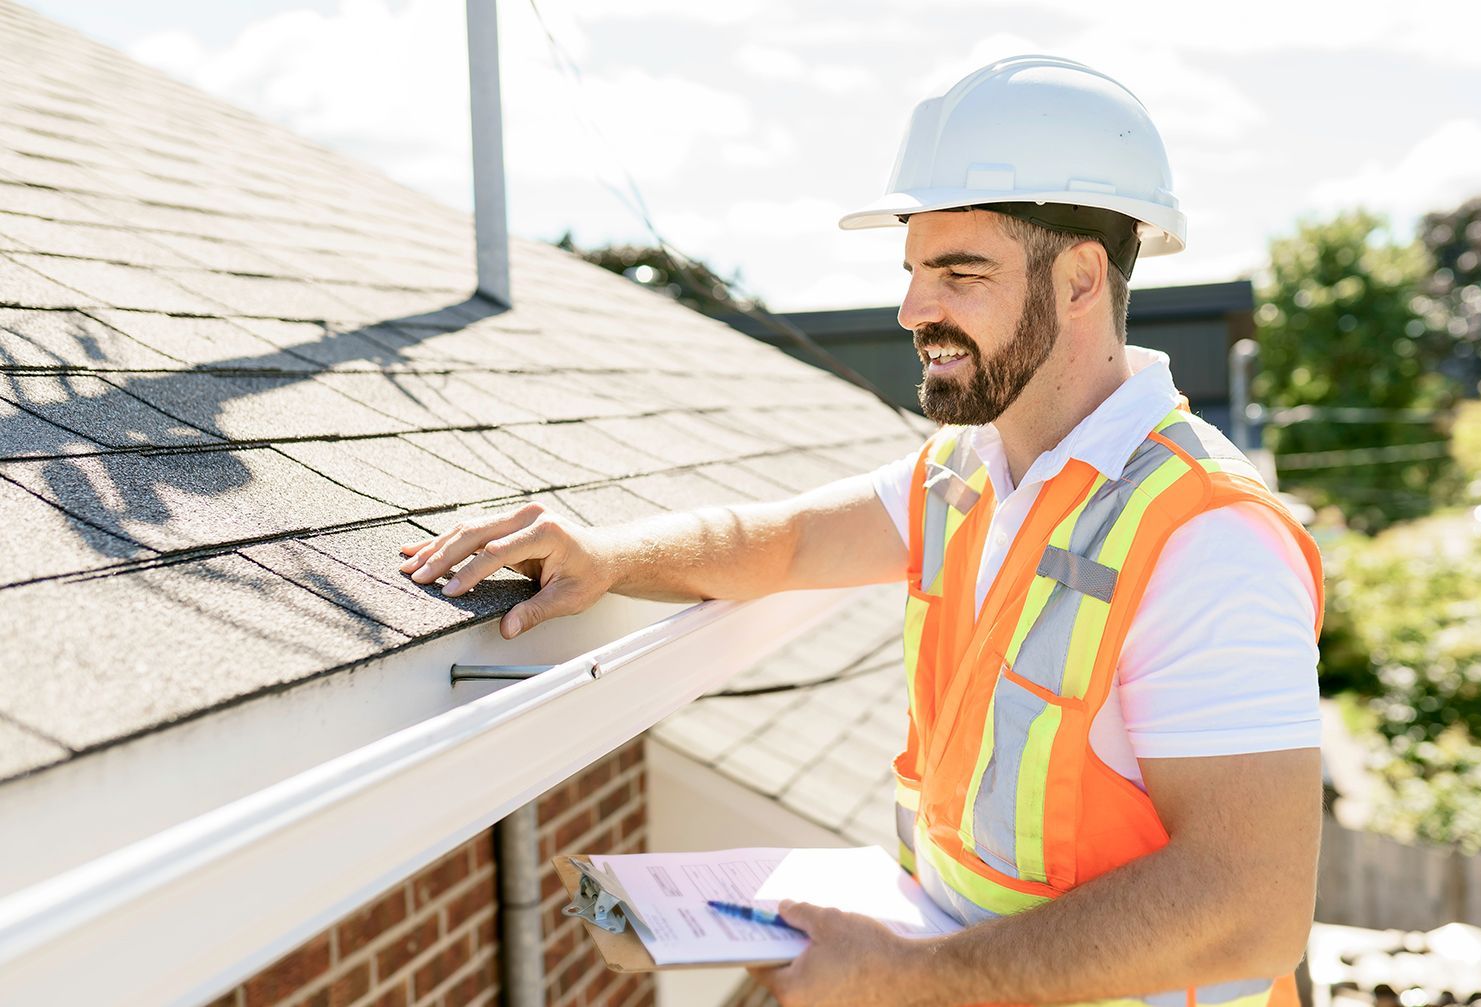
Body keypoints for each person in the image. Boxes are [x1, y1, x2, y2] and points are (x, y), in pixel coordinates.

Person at [401, 55, 1325, 1007]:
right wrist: (605, 555)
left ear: (1082, 277)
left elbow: (1249, 904)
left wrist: (912, 977)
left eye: (960, 273)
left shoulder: (1207, 533)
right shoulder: (970, 471)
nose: (914, 310)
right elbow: (790, 542)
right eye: (916, 270)